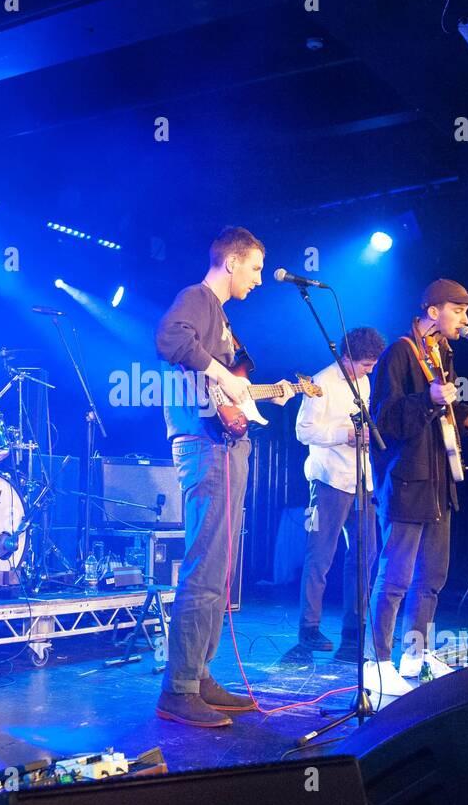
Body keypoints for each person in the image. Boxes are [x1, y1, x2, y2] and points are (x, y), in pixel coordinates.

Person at [154, 227, 293, 727]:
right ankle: (179, 688)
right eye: (255, 268)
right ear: (231, 262)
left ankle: (200, 673)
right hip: (204, 446)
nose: (258, 279)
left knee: (219, 568)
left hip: (224, 443)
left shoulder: (221, 317)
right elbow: (169, 338)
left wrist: (259, 390)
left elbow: (228, 384)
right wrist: (217, 371)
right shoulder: (197, 298)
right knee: (205, 563)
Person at [370, 279, 468, 689]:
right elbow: (386, 418)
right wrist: (428, 398)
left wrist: (466, 416)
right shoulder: (399, 352)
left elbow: (444, 402)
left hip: (439, 479)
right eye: (459, 309)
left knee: (431, 576)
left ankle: (416, 655)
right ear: (433, 311)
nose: (465, 318)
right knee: (396, 577)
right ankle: (378, 663)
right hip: (408, 480)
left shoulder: (440, 352)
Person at [295, 327, 386, 661]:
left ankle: (354, 629)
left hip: (362, 480)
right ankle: (309, 628)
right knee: (320, 556)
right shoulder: (320, 382)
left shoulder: (362, 381)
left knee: (365, 555)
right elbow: (303, 431)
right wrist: (344, 434)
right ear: (347, 358)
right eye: (365, 364)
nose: (370, 370)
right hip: (328, 480)